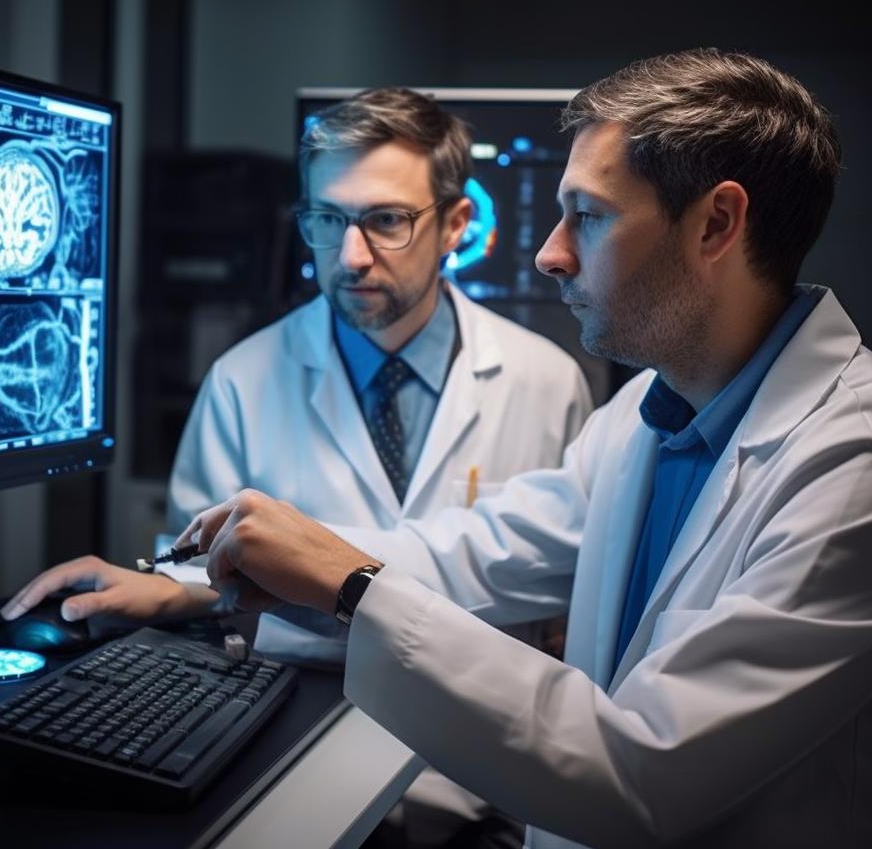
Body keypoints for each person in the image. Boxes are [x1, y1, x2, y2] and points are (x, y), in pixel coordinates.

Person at [171, 50, 872, 848]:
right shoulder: (648, 413)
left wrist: (354, 584)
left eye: (590, 215)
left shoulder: (850, 470)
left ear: (716, 223)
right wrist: (217, 576)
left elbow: (642, 774)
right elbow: (482, 552)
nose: (549, 253)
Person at [4, 87, 591, 844]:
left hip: (483, 779)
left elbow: (553, 607)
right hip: (299, 759)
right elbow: (202, 572)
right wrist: (162, 585)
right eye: (327, 219)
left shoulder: (545, 383)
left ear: (455, 224)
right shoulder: (244, 378)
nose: (349, 257)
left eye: (386, 220)